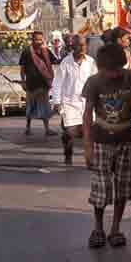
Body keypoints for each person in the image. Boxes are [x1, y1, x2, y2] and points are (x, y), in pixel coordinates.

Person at [82, 42, 131, 249]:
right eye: (110, 70)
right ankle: (98, 227)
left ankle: (115, 228)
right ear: (101, 68)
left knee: (123, 187)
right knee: (101, 188)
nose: (115, 74)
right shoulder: (93, 83)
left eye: (118, 69)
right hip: (100, 140)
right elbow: (87, 114)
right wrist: (87, 146)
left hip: (126, 139)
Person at [50, 34, 97, 165]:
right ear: (73, 47)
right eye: (79, 45)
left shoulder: (91, 62)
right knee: (70, 133)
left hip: (87, 103)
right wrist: (57, 102)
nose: (82, 48)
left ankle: (89, 160)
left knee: (89, 133)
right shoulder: (66, 62)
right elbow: (57, 83)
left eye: (84, 45)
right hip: (69, 103)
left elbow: (95, 81)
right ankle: (68, 153)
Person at [20, 30, 56, 138]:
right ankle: (28, 127)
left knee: (45, 106)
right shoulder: (26, 52)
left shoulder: (46, 51)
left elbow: (54, 62)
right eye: (36, 39)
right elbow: (22, 69)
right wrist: (23, 81)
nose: (39, 41)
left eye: (40, 39)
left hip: (43, 84)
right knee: (30, 106)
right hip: (31, 84)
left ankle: (47, 129)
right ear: (32, 40)